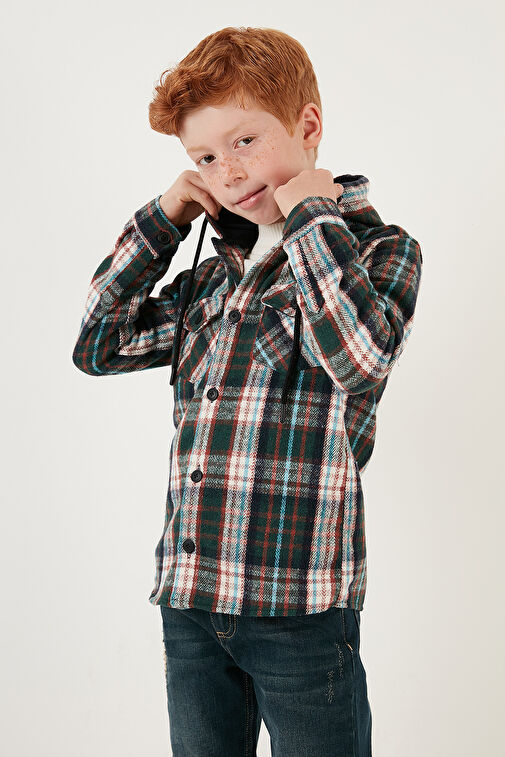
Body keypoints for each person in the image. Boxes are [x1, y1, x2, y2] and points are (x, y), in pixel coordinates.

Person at [72, 25, 423, 757]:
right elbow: (99, 345)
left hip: (298, 607)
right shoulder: (212, 275)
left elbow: (359, 358)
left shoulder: (380, 251)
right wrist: (163, 221)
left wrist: (311, 214)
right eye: (204, 157)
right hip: (192, 600)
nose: (227, 171)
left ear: (307, 125)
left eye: (244, 141)